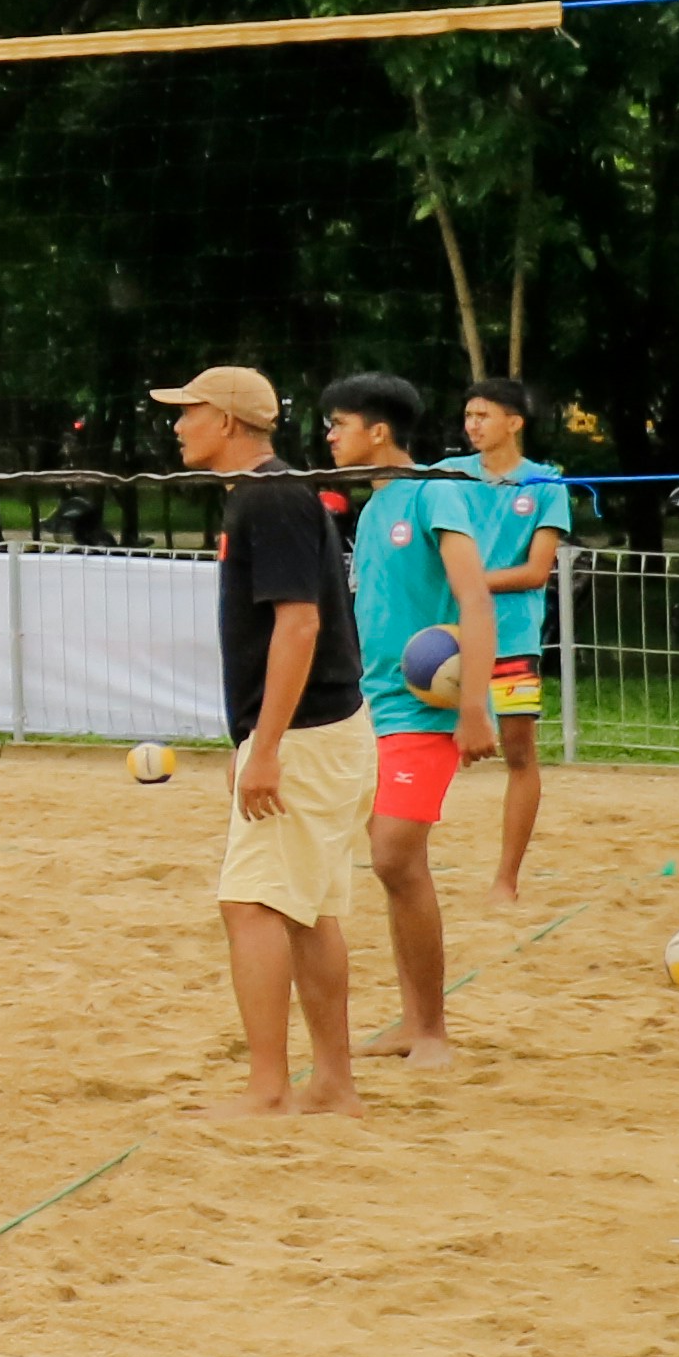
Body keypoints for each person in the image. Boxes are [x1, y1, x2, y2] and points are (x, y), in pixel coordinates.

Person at [158, 364, 369, 1115]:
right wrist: (253, 741)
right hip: (321, 730)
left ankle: (270, 1091)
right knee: (308, 908)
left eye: (189, 411)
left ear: (227, 421)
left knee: (251, 906)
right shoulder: (265, 493)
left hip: (309, 734)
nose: (178, 425)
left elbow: (300, 624)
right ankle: (333, 1085)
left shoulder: (270, 496)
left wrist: (269, 746)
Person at [318, 370, 503, 1068]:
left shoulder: (436, 492)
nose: (331, 437)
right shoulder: (371, 509)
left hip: (427, 710)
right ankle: (412, 1021)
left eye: (340, 424)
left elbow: (475, 600)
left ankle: (432, 1031)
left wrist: (474, 705)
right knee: (395, 865)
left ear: (379, 431)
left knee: (394, 852)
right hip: (374, 705)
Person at [447, 377, 580, 904]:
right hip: (449, 636)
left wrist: (470, 580)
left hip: (512, 639)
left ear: (514, 423)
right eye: (468, 415)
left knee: (519, 753)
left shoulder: (546, 485)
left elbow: (535, 571)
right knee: (419, 743)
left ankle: (507, 878)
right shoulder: (451, 477)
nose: (472, 424)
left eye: (483, 415)